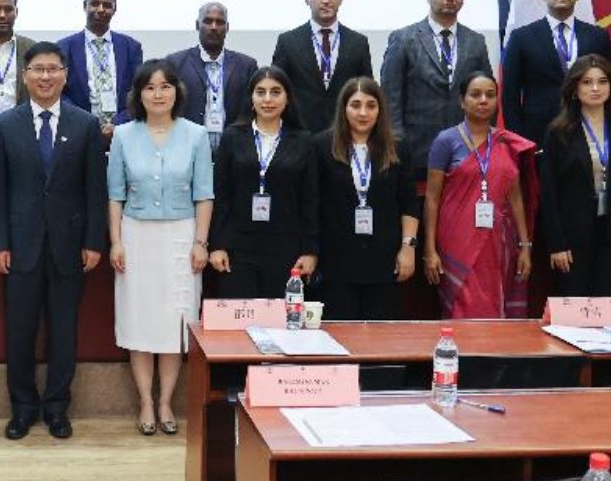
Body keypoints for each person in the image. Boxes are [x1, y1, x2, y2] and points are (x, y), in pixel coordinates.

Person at [0, 41, 107, 440]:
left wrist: (93, 242)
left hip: (69, 247)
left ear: (65, 76)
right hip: (19, 247)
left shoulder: (85, 124)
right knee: (19, 331)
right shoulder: (5, 124)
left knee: (63, 331)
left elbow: (95, 190)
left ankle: (56, 408)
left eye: (53, 69)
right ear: (25, 76)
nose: (45, 76)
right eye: (38, 69)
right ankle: (22, 408)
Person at [108, 59, 213, 436]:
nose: (158, 94)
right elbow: (115, 195)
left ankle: (167, 401)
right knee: (139, 321)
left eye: (165, 86)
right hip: (136, 237)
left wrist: (201, 242)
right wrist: (116, 241)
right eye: (149, 87)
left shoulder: (196, 135)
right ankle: (146, 403)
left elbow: (204, 194)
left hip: (181, 237)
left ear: (176, 92)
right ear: (138, 94)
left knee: (173, 324)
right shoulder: (123, 135)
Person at [422, 73, 534, 320]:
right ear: (462, 101)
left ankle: (493, 347)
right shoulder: (445, 141)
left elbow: (516, 199)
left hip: (498, 241)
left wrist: (525, 246)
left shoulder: (506, 142)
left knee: (495, 302)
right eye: (475, 95)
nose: (483, 100)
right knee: (463, 305)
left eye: (490, 95)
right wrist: (429, 249)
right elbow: (432, 198)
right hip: (456, 239)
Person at [312, 77, 420, 320]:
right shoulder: (321, 146)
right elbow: (313, 204)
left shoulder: (397, 147)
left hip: (384, 258)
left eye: (371, 105)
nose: (363, 113)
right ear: (344, 108)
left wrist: (408, 248)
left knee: (381, 332)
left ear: (380, 109)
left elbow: (408, 202)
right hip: (336, 260)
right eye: (356, 105)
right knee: (340, 332)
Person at [207, 66, 319, 300]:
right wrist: (217, 245)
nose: (268, 99)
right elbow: (221, 196)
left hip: (286, 248)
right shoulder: (232, 137)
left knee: (281, 319)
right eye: (260, 92)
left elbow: (310, 201)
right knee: (240, 317)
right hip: (238, 248)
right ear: (251, 98)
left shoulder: (303, 141)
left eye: (275, 92)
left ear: (288, 98)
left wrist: (310, 251)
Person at [537, 56, 611, 297]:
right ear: (574, 88)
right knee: (574, 308)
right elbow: (549, 193)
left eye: (602, 81)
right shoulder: (559, 131)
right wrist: (557, 243)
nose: (595, 88)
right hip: (572, 239)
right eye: (587, 82)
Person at [380, 0, 494, 171]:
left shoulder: (476, 41)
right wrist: (396, 144)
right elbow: (390, 98)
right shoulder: (403, 39)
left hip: (466, 149)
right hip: (415, 150)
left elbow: (488, 95)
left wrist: (484, 139)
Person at [500, 0, 611, 145]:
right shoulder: (522, 37)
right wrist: (519, 140)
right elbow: (510, 95)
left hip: (590, 129)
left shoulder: (598, 36)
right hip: (538, 133)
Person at [271, 0, 374, 133]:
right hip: (299, 134)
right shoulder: (288, 41)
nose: (326, 0)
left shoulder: (358, 42)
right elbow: (276, 88)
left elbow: (366, 91)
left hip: (344, 133)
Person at [166, 1, 259, 152]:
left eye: (220, 22)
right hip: (187, 148)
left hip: (234, 150)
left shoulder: (246, 65)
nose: (214, 27)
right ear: (197, 25)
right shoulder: (176, 63)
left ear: (227, 28)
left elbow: (253, 110)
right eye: (208, 21)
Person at [57, 0, 142, 140]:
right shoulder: (64, 47)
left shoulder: (131, 47)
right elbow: (59, 93)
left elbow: (138, 91)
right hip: (78, 132)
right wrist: (88, 123)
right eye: (95, 4)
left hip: (123, 132)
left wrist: (117, 124)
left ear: (115, 9)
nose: (101, 9)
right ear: (85, 6)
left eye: (107, 5)